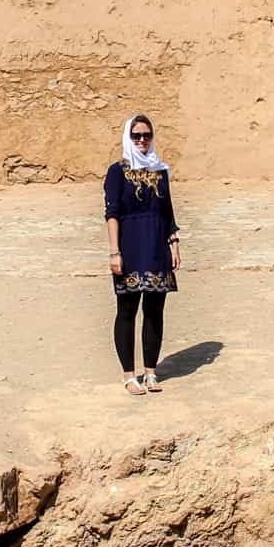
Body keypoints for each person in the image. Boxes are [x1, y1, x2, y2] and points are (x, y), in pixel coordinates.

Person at [104, 114, 181, 394]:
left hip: (157, 247)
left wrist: (174, 243)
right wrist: (115, 252)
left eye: (146, 135)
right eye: (136, 135)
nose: (142, 140)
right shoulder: (117, 171)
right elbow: (112, 213)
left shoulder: (160, 170)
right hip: (130, 248)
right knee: (127, 309)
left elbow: (167, 211)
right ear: (128, 136)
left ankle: (150, 372)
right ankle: (129, 375)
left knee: (154, 310)